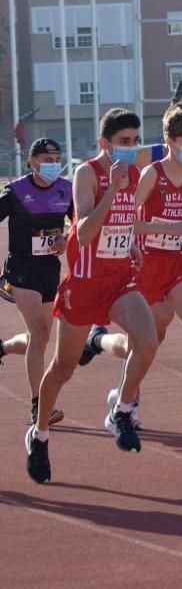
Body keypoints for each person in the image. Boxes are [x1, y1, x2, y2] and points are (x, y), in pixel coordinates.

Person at [25, 108, 162, 484]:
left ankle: (121, 409)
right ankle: (39, 435)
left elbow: (125, 218)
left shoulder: (134, 173)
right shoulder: (88, 173)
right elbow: (84, 232)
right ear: (104, 143)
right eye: (123, 142)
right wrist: (113, 190)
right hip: (84, 283)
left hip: (119, 277)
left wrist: (132, 243)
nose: (131, 148)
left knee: (148, 340)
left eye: (135, 141)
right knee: (63, 369)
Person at [77, 103, 182, 440]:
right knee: (144, 344)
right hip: (146, 266)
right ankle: (100, 345)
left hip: (176, 267)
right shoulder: (151, 173)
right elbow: (128, 222)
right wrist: (170, 227)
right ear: (169, 141)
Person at [0, 139, 74, 426]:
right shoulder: (16, 191)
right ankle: (39, 406)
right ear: (32, 162)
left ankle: (2, 348)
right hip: (21, 271)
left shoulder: (66, 189)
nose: (53, 164)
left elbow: (80, 223)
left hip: (48, 271)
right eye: (47, 158)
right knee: (41, 335)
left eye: (57, 158)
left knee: (37, 339)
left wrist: (65, 238)